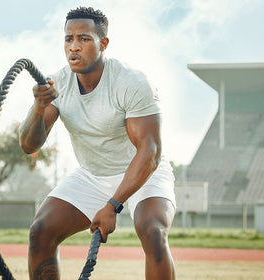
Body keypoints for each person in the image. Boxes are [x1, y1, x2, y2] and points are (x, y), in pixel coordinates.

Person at [19, 6, 176, 280]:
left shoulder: (132, 82)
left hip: (144, 172)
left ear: (103, 43)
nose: (74, 47)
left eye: (84, 39)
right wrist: (38, 107)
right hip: (92, 175)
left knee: (152, 232)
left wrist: (112, 205)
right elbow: (28, 146)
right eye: (68, 39)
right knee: (41, 231)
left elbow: (150, 152)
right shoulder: (58, 85)